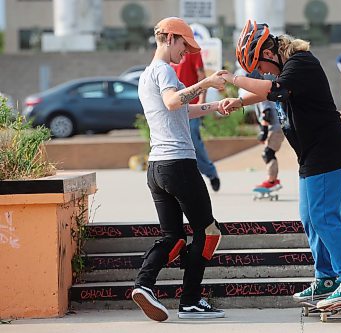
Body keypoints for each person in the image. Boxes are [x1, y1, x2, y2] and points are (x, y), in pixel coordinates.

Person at [220, 20, 341, 308]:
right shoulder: (289, 68)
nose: (261, 71)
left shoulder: (302, 63)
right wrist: (239, 103)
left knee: (324, 217)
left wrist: (234, 79)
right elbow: (269, 89)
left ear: (271, 52)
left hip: (328, 151)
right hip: (312, 154)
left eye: (260, 65)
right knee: (310, 218)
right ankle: (326, 279)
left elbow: (274, 89)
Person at [131, 17, 228, 321]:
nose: (186, 53)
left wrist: (216, 106)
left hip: (157, 167)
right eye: (185, 45)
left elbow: (181, 109)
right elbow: (174, 102)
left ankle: (144, 285)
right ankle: (190, 301)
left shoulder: (148, 74)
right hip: (179, 165)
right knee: (209, 231)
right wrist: (206, 83)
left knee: (173, 236)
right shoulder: (164, 71)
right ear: (171, 38)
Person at [171, 52, 221, 192]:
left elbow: (201, 76)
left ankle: (211, 172)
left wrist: (202, 100)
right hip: (173, 108)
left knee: (194, 142)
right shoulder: (166, 56)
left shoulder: (192, 53)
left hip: (191, 107)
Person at [253, 92, 285, 190]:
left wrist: (264, 133)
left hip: (275, 128)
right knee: (268, 153)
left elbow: (266, 114)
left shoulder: (259, 95)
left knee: (268, 153)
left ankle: (272, 181)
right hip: (277, 127)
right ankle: (273, 180)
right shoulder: (262, 93)